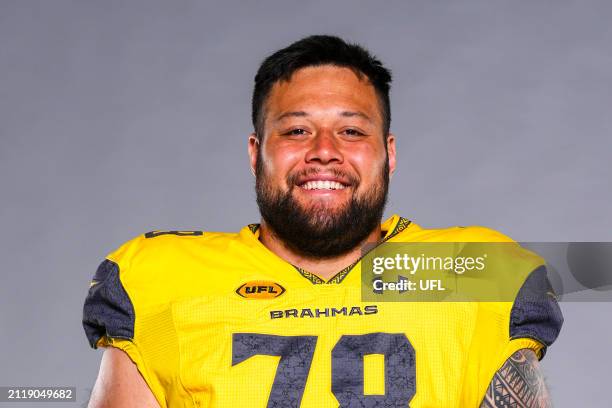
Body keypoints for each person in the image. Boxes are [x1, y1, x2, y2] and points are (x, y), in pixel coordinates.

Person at [82, 35, 563, 407]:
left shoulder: (474, 271)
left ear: (387, 154)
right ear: (256, 153)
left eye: (351, 130)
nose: (324, 152)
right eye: (297, 130)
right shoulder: (164, 280)